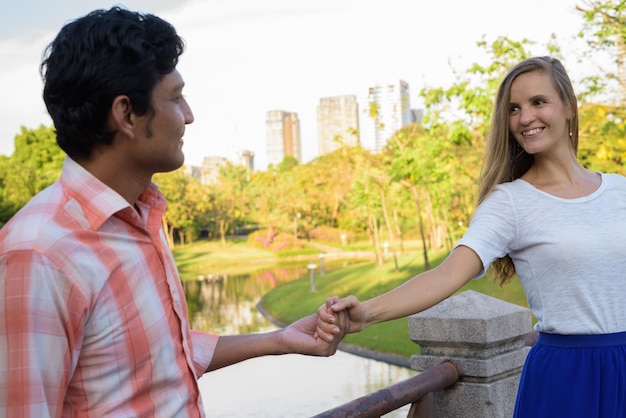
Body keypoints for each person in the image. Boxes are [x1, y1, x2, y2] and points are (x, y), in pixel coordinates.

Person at [0, 7, 345, 417]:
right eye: (176, 97)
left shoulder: (141, 217)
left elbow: (160, 356)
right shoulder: (39, 254)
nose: (189, 115)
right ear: (126, 114)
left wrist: (279, 340)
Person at [317, 56, 626, 418]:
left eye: (538, 102)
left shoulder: (619, 190)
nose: (525, 118)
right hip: (566, 379)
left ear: (569, 107)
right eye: (514, 108)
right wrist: (366, 314)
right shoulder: (510, 202)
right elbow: (448, 274)